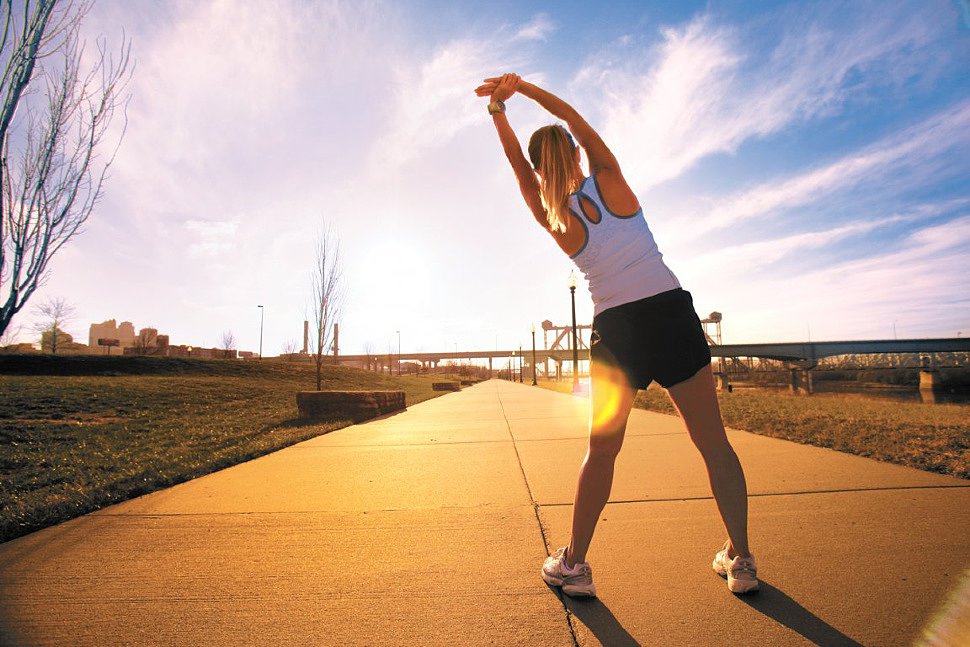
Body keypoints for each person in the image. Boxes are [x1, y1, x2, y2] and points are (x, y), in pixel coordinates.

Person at [475, 73, 758, 597]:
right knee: (714, 445)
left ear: (541, 170)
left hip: (618, 330)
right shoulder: (608, 175)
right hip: (671, 312)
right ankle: (741, 561)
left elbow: (517, 166)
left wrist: (497, 113)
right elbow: (577, 121)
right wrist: (524, 88)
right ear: (577, 155)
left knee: (602, 452)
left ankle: (574, 565)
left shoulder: (550, 213)